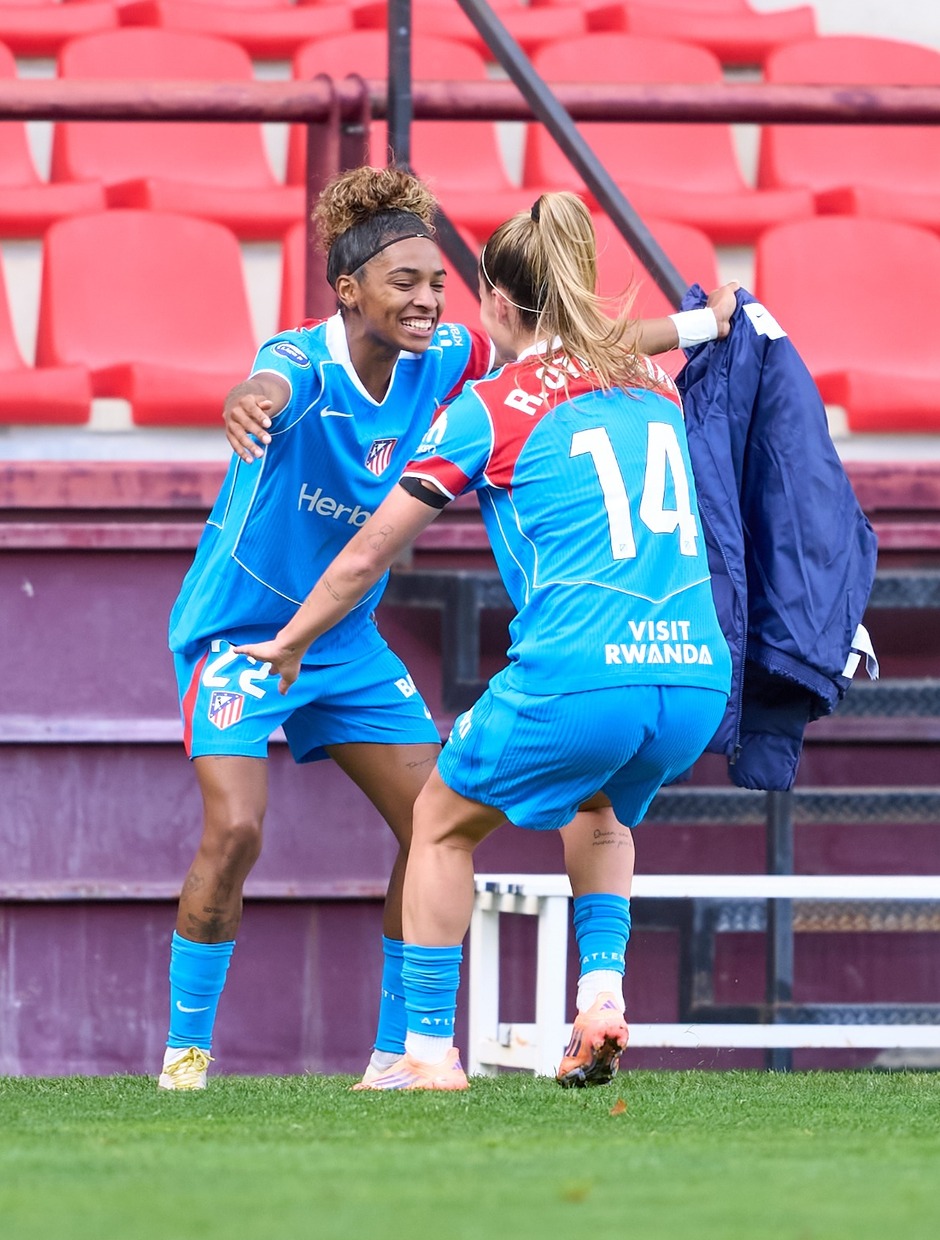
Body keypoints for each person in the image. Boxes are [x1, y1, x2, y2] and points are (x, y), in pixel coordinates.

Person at [162, 164, 732, 1091]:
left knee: (427, 821)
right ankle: (184, 1057)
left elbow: (575, 345)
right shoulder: (300, 361)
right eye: (406, 283)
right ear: (348, 289)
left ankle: (404, 1053)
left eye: (439, 282)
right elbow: (268, 381)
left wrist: (698, 325)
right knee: (236, 833)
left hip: (341, 638)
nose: (430, 300)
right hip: (244, 633)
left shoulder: (453, 362)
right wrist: (246, 400)